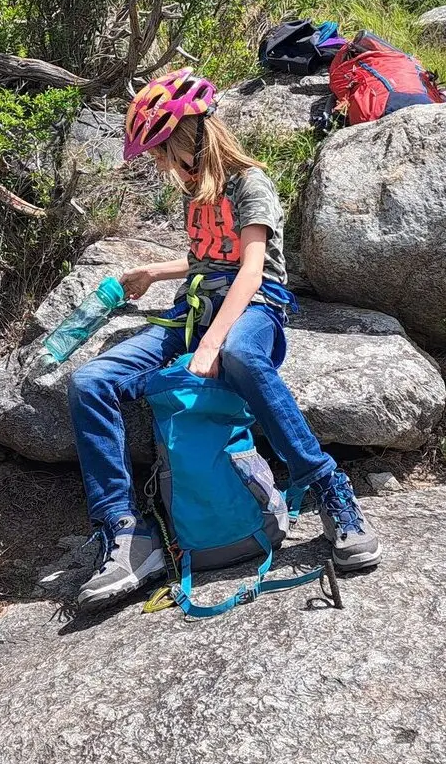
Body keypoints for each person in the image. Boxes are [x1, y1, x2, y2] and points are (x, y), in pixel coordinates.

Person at [67, 69, 380, 610]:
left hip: (254, 307)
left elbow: (252, 271)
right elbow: (207, 261)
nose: (159, 164)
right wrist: (154, 272)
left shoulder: (249, 183)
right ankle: (126, 533)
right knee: (90, 381)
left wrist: (210, 345)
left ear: (187, 136)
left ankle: (330, 489)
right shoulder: (196, 192)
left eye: (161, 151)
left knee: (239, 354)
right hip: (196, 305)